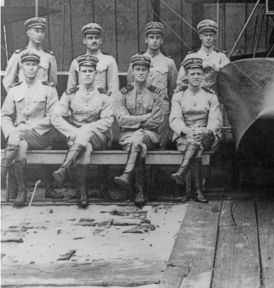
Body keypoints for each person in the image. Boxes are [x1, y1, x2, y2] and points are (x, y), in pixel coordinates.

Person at [50, 54, 114, 208]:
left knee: (85, 134)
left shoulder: (104, 96)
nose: (87, 74)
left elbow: (107, 121)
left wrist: (86, 129)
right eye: (84, 71)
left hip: (98, 136)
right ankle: (83, 192)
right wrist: (73, 132)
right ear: (78, 73)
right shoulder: (70, 94)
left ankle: (65, 168)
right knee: (85, 147)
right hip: (77, 137)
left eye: (90, 71)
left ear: (96, 73)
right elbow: (55, 117)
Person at [1, 52, 59, 206]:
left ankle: (3, 170)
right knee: (21, 145)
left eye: (34, 65)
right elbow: (4, 115)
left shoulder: (48, 89)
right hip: (20, 137)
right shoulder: (15, 89)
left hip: (42, 134)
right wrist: (10, 131)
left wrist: (30, 128)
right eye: (28, 65)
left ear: (38, 67)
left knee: (18, 135)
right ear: (22, 67)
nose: (31, 68)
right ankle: (22, 191)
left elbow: (54, 116)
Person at [114, 54, 165, 207]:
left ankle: (127, 174)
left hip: (150, 135)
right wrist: (144, 118)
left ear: (149, 72)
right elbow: (120, 119)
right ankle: (140, 192)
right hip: (127, 137)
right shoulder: (123, 93)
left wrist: (134, 121)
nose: (141, 72)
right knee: (139, 145)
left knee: (140, 138)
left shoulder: (157, 93)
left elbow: (156, 120)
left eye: (144, 69)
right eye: (138, 69)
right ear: (133, 72)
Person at [170, 56, 223, 202]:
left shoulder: (210, 95)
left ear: (203, 75)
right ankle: (198, 190)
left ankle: (182, 172)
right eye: (192, 73)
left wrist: (206, 131)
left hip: (206, 136)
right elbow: (175, 118)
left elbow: (215, 120)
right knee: (195, 146)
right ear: (186, 76)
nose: (195, 77)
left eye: (199, 73)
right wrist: (186, 131)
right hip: (184, 135)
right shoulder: (178, 95)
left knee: (196, 144)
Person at [127, 21, 177, 148]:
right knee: (140, 143)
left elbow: (172, 90)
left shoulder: (169, 63)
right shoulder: (136, 60)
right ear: (146, 39)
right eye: (151, 37)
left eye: (157, 37)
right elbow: (130, 88)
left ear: (162, 40)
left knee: (160, 145)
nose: (154, 41)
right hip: (140, 110)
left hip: (161, 111)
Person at [3, 17, 58, 91]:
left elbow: (53, 82)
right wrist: (16, 98)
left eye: (42, 32)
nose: (40, 35)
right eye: (37, 31)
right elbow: (7, 82)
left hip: (42, 98)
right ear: (28, 33)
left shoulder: (49, 56)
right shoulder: (18, 55)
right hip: (24, 98)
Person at [66, 22, 120, 94]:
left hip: (101, 102)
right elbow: (70, 90)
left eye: (96, 38)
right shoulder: (76, 62)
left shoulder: (109, 61)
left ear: (100, 40)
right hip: (80, 102)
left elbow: (113, 89)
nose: (94, 41)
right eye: (90, 38)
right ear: (84, 41)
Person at [176, 19, 230, 90]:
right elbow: (179, 81)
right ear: (200, 36)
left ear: (215, 37)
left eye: (211, 35)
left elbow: (229, 78)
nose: (208, 38)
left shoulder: (221, 56)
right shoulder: (191, 56)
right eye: (205, 35)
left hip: (215, 97)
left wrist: (215, 67)